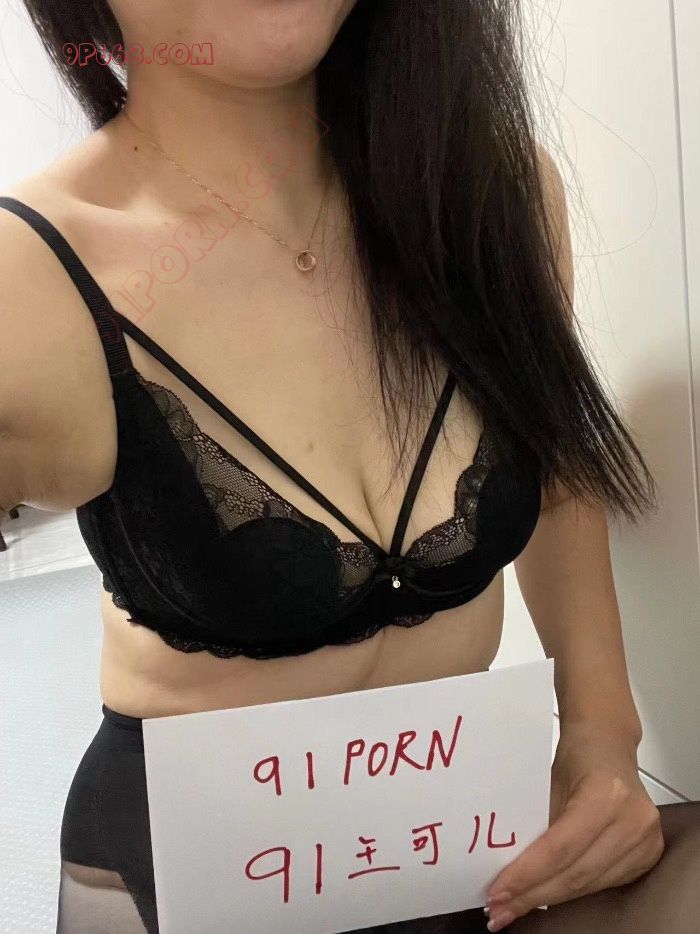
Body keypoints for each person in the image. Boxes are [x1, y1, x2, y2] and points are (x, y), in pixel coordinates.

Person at [2, 1, 693, 932]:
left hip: (465, 844)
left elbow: (557, 469)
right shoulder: (28, 281)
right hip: (195, 879)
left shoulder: (498, 198)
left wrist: (604, 733)